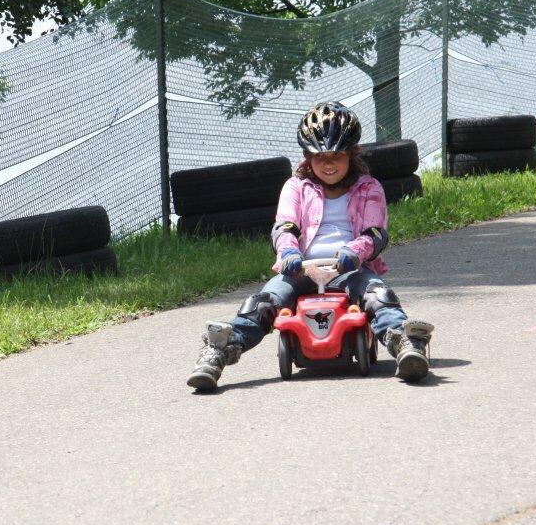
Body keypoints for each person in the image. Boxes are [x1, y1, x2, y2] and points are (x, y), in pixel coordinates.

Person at [186, 101, 435, 390]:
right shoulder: (296, 187)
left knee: (378, 295)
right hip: (301, 269)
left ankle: (405, 343)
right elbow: (284, 226)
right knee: (262, 304)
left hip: (350, 267)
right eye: (320, 157)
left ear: (352, 154)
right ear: (307, 157)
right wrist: (288, 251)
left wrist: (355, 252)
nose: (329, 164)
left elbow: (375, 233)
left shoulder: (369, 188)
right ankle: (218, 351)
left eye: (338, 156)